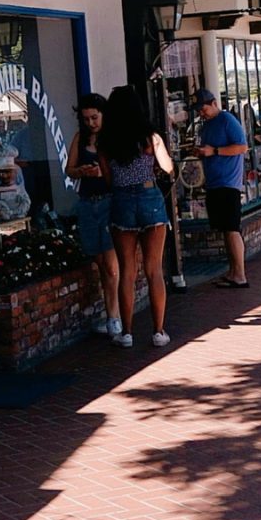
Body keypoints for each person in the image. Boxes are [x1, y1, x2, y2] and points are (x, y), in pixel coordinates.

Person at [98, 85, 174, 349]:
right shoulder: (150, 137)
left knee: (127, 271)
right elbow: (168, 167)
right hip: (149, 196)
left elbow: (108, 179)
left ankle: (127, 333)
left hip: (121, 201)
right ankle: (158, 331)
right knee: (154, 270)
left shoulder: (106, 142)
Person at [66, 93, 121, 338]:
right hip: (88, 203)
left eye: (94, 117)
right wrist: (81, 171)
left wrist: (103, 173)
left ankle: (114, 316)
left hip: (109, 202)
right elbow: (69, 169)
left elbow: (121, 171)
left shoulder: (112, 139)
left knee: (110, 264)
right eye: (86, 118)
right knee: (99, 262)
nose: (91, 123)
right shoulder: (80, 138)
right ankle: (110, 311)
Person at [193, 88, 249, 288]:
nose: (202, 113)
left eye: (204, 108)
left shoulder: (227, 120)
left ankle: (240, 275)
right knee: (225, 229)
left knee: (232, 228)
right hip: (214, 182)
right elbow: (206, 149)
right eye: (199, 110)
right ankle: (233, 272)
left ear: (214, 103)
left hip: (228, 182)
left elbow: (242, 147)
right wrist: (201, 151)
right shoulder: (206, 126)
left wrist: (214, 150)